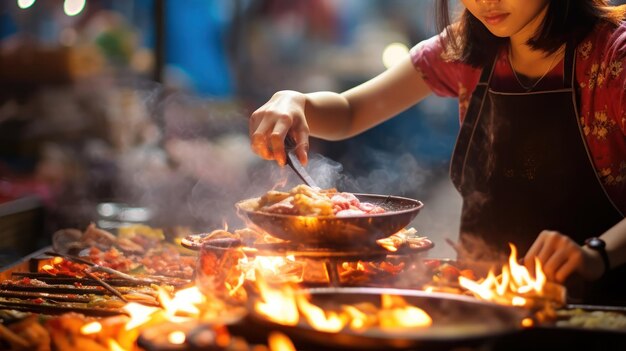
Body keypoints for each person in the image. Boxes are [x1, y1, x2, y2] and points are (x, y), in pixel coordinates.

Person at [248, 0, 626, 305]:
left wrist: (596, 254)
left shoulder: (614, 57)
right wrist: (295, 101)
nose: (485, 2)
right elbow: (350, 112)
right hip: (485, 301)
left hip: (601, 307)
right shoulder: (464, 50)